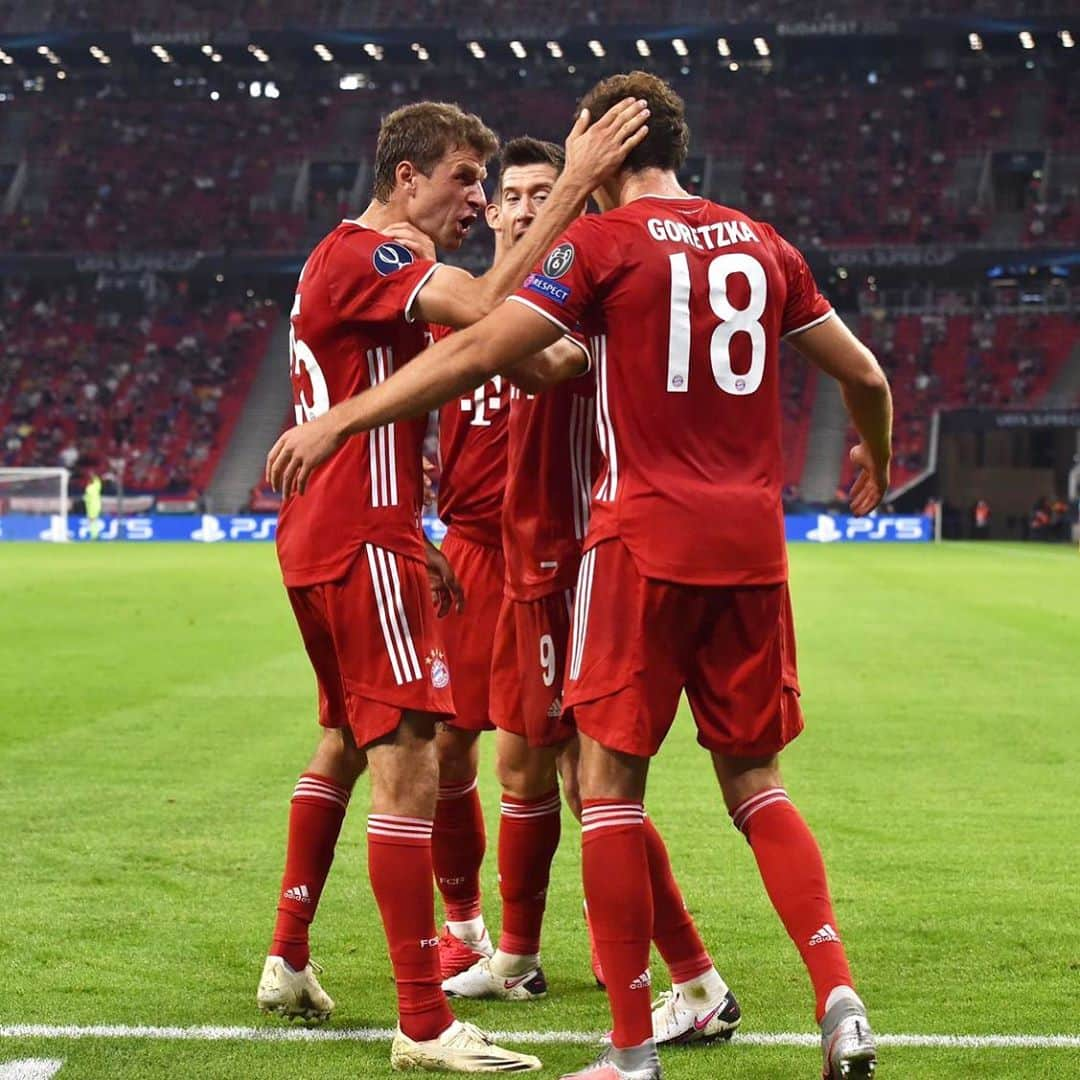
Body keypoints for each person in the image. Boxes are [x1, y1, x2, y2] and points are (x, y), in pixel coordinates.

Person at [266, 71, 892, 1080]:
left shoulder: (596, 252)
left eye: (531, 179)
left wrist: (340, 421)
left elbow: (482, 343)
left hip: (619, 545)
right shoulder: (765, 243)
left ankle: (630, 1034)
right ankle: (833, 998)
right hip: (734, 544)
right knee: (743, 783)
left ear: (601, 147)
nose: (501, 205)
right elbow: (864, 374)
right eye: (491, 191)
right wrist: (878, 454)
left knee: (586, 780)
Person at [256, 96, 649, 1074]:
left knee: (347, 742)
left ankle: (289, 957)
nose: (475, 201)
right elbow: (482, 313)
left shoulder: (337, 260)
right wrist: (559, 202)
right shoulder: (376, 253)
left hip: (338, 533)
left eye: (487, 184)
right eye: (464, 180)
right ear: (404, 179)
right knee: (415, 763)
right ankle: (425, 1024)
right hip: (361, 539)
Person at [440, 135, 742, 1050]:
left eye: (546, 192)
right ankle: (514, 950)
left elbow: (558, 364)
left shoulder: (584, 286)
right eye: (516, 194)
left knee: (588, 780)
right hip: (493, 554)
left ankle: (691, 976)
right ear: (492, 209)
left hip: (577, 558)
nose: (529, 207)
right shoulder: (474, 301)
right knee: (509, 761)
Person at [84, 472, 103, 540]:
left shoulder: (89, 488)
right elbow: (97, 480)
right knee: (94, 521)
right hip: (97, 505)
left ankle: (94, 535)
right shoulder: (97, 486)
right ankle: (95, 534)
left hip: (92, 507)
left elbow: (87, 498)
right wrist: (94, 476)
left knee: (92, 521)